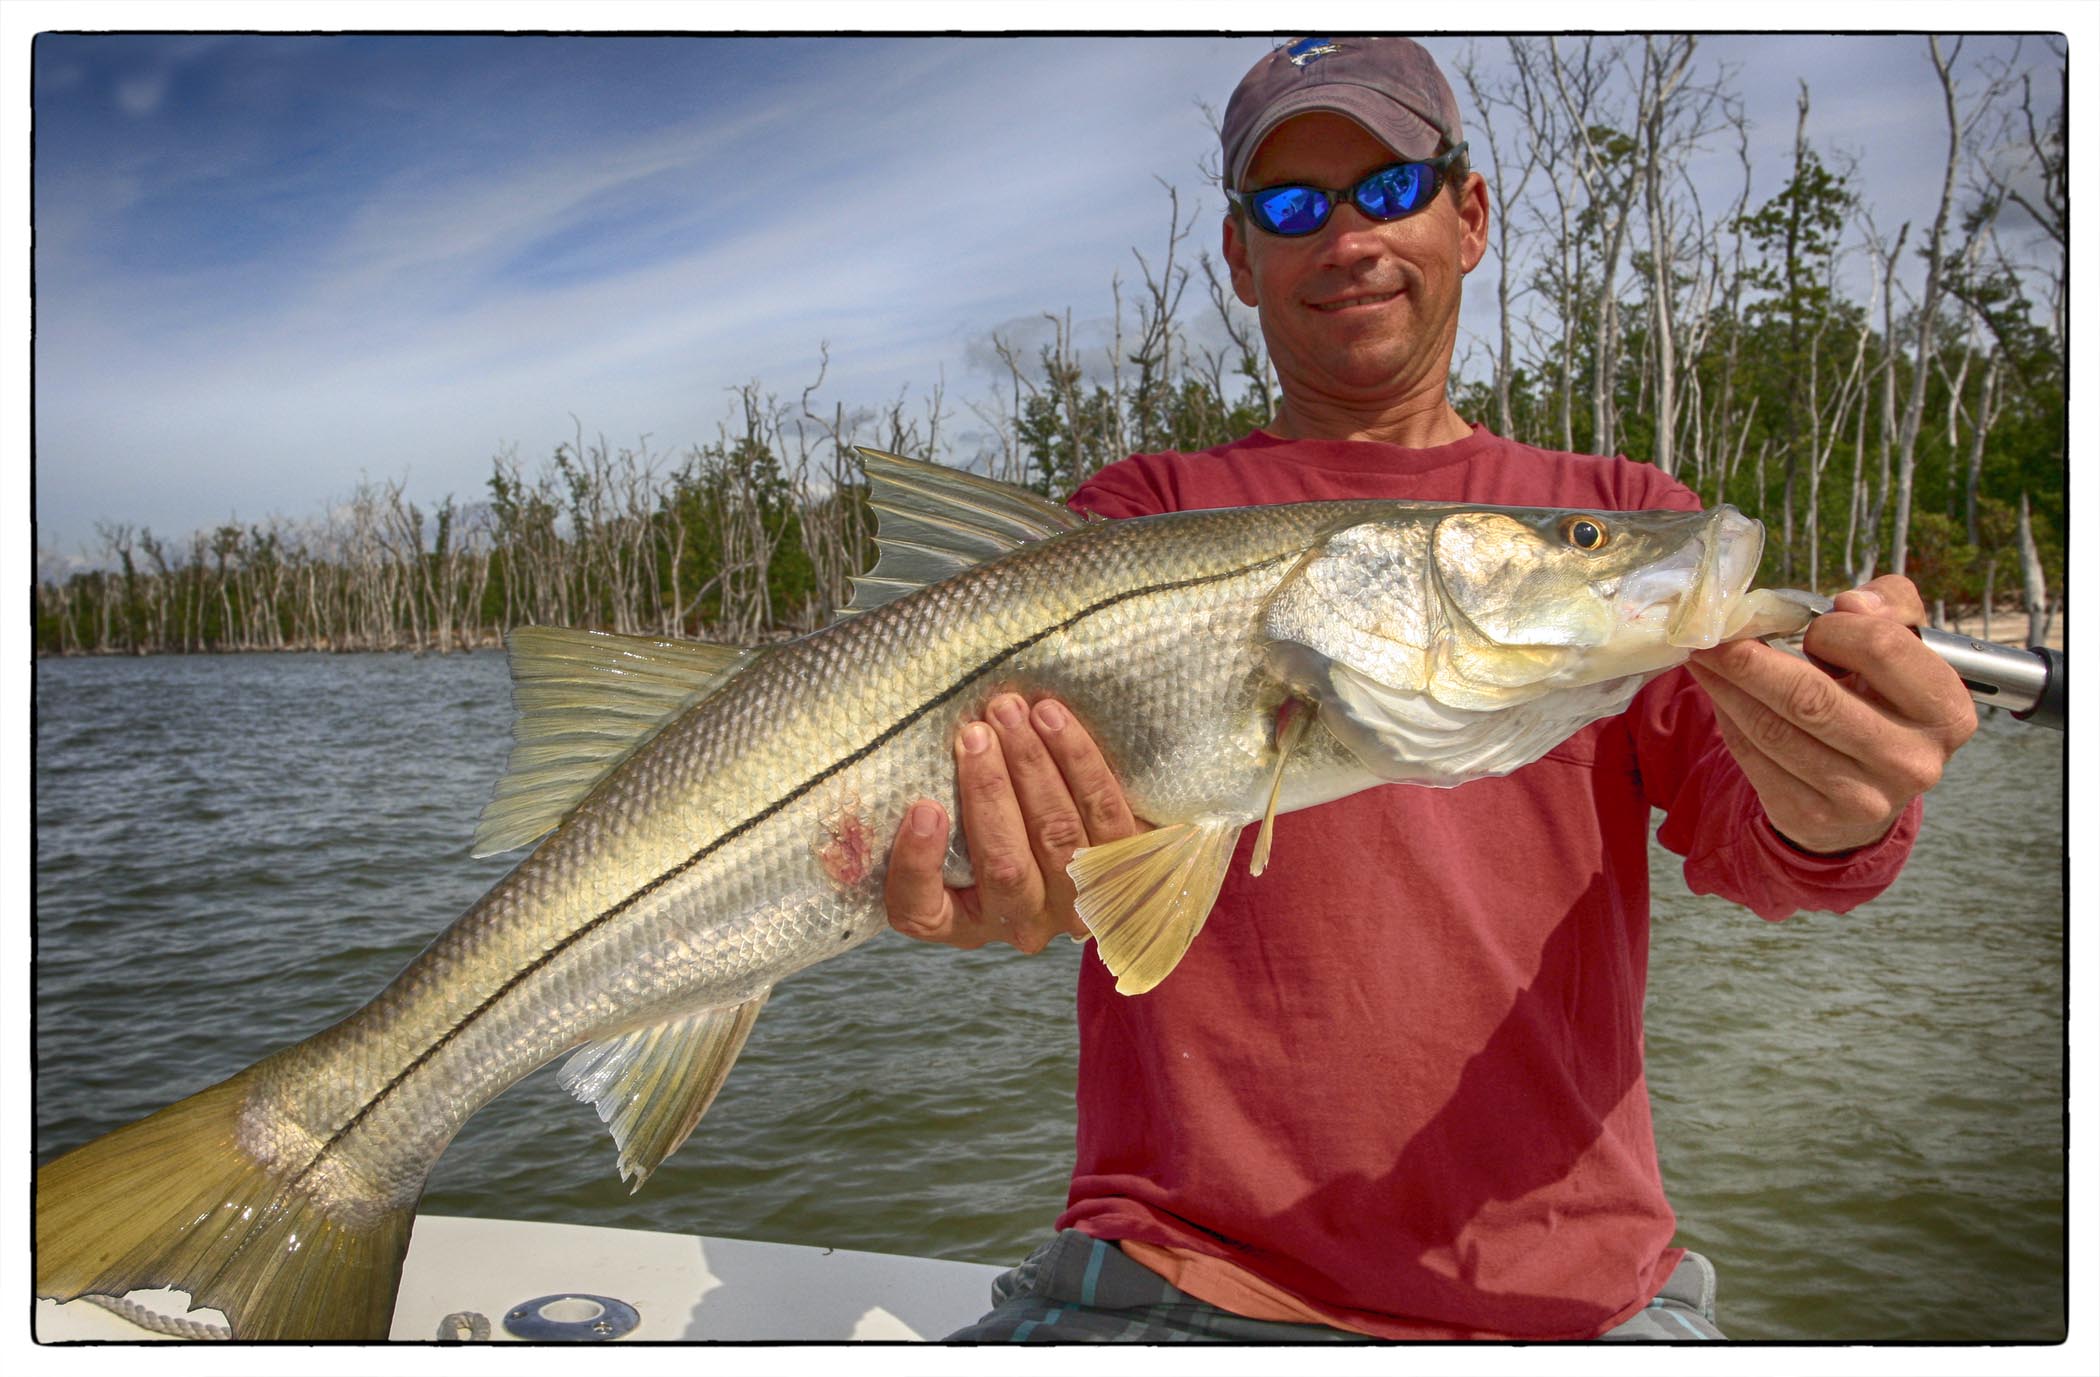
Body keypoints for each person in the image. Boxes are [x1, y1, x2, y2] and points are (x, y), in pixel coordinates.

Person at [882, 37, 1977, 1342]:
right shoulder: (1139, 520)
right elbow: (1085, 877)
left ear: (1470, 214)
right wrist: (993, 892)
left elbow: (1768, 852)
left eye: (1390, 187)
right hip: (1172, 1279)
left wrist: (1843, 800)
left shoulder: (1625, 516)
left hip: (1562, 1304)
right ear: (1240, 258)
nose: (1347, 238)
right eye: (1292, 207)